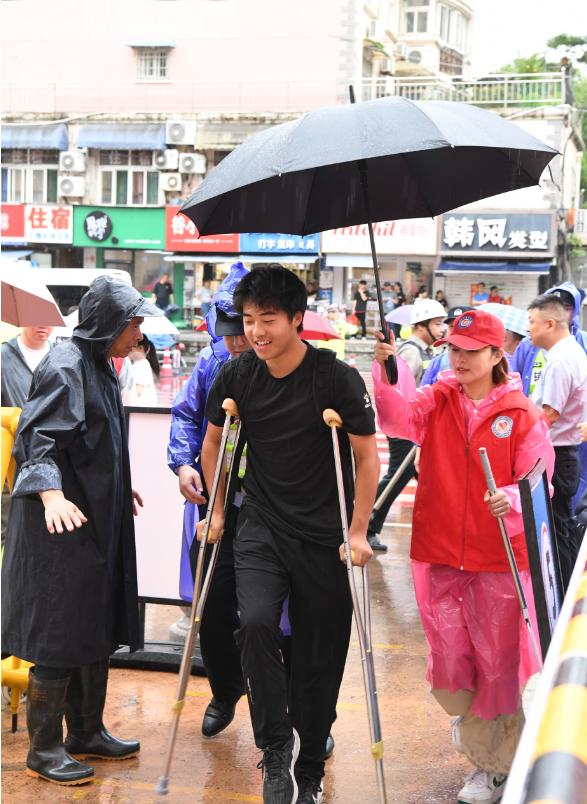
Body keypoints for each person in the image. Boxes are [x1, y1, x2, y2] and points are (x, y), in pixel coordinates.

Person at [200, 265, 379, 804]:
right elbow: (214, 445)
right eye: (249, 320)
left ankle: (309, 765)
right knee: (253, 622)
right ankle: (275, 746)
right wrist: (217, 509)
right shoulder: (236, 376)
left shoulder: (336, 379)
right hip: (261, 525)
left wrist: (360, 530)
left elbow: (367, 459)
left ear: (298, 319)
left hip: (325, 535)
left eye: (268, 320)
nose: (256, 332)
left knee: (319, 654)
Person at [373, 309, 554, 804]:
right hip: (438, 552)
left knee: (498, 665)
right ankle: (479, 734)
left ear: (498, 354)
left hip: (496, 557)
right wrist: (388, 374)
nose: (459, 359)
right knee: (452, 658)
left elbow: (539, 482)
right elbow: (399, 417)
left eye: (471, 351)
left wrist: (512, 499)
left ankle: (493, 764)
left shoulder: (520, 414)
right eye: (453, 349)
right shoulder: (439, 398)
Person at [1, 276, 163, 786]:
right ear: (107, 322)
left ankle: (87, 731)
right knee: (60, 630)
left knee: (94, 624)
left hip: (94, 517)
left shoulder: (99, 363)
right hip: (61, 523)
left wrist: (122, 486)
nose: (138, 332)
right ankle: (43, 748)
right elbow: (37, 440)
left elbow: (101, 438)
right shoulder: (66, 365)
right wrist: (50, 495)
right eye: (132, 322)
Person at [168, 262, 249, 737]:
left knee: (272, 613)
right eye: (230, 331)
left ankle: (283, 700)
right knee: (212, 603)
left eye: (244, 328)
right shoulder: (212, 361)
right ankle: (224, 690)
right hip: (213, 502)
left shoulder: (281, 362)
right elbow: (185, 415)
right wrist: (183, 464)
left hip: (269, 506)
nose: (238, 340)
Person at [366, 299, 446, 552]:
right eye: (437, 323)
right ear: (421, 325)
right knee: (396, 478)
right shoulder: (411, 351)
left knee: (428, 479)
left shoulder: (426, 350)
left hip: (417, 429)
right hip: (405, 428)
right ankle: (367, 526)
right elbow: (399, 388)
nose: (442, 328)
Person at [527, 294, 587, 591]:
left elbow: (548, 414)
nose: (529, 329)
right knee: (559, 527)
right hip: (563, 453)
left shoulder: (562, 360)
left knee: (558, 529)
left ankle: (562, 599)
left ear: (550, 324)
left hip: (558, 455)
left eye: (533, 322)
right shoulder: (566, 354)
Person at [420, 306, 474, 387]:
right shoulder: (437, 362)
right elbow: (423, 394)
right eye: (451, 326)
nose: (454, 331)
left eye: (461, 326)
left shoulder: (484, 364)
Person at [1, 325, 53, 408]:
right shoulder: (3, 356)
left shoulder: (62, 357)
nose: (43, 325)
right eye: (36, 316)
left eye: (50, 318)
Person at [128, 334, 159, 406]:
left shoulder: (140, 364)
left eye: (131, 347)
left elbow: (138, 390)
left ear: (140, 348)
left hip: (140, 408)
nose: (128, 351)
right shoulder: (144, 363)